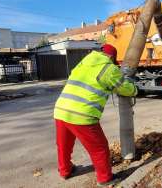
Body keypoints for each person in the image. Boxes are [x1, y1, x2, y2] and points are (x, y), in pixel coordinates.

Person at [54, 44, 137, 187]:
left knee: (64, 145)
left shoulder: (84, 61)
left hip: (61, 109)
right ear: (111, 58)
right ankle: (105, 179)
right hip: (82, 114)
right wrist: (134, 88)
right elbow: (125, 89)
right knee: (99, 148)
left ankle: (65, 170)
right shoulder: (109, 69)